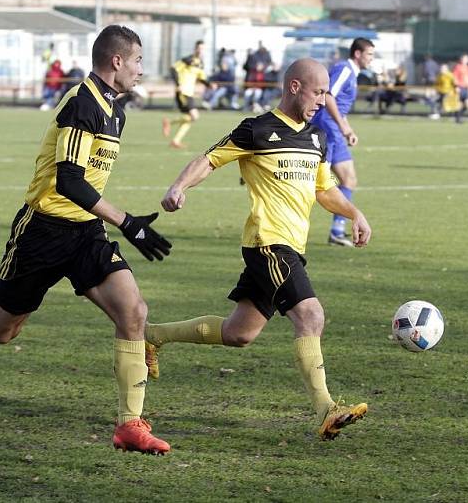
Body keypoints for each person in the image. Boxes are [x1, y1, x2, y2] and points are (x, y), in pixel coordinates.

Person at [0, 25, 174, 455]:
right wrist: (129, 222)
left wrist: (114, 224)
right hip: (41, 232)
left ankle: (129, 425)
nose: (142, 69)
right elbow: (68, 181)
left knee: (133, 312)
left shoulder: (115, 109)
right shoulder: (83, 104)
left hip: (85, 234)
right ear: (116, 61)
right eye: (137, 60)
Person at [146, 58, 372, 441]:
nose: (323, 101)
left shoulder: (316, 137)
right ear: (295, 87)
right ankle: (326, 409)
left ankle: (152, 336)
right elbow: (210, 159)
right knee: (311, 316)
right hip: (268, 243)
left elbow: (323, 189)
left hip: (289, 247)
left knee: (239, 333)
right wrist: (179, 186)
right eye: (319, 92)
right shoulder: (257, 129)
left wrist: (354, 213)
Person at [310, 37, 375, 247]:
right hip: (327, 129)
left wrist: (348, 130)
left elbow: (339, 105)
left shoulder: (353, 74)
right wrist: (343, 127)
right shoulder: (344, 69)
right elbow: (328, 96)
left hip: (336, 130)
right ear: (358, 54)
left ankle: (337, 231)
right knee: (316, 183)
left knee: (349, 180)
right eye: (370, 54)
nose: (371, 59)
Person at [162, 40, 213, 149]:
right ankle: (170, 123)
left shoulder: (200, 63)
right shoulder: (187, 60)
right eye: (199, 48)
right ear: (195, 49)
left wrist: (209, 85)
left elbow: (201, 77)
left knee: (190, 118)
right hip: (182, 91)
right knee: (194, 116)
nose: (201, 50)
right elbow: (173, 69)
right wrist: (178, 84)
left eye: (203, 49)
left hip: (189, 93)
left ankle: (175, 140)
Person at [452, 53, 468, 123]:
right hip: (460, 87)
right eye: (465, 58)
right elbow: (454, 77)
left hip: (466, 88)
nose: (466, 60)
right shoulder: (458, 66)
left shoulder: (467, 67)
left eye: (467, 59)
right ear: (461, 59)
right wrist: (456, 86)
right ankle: (458, 118)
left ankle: (458, 115)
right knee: (459, 104)